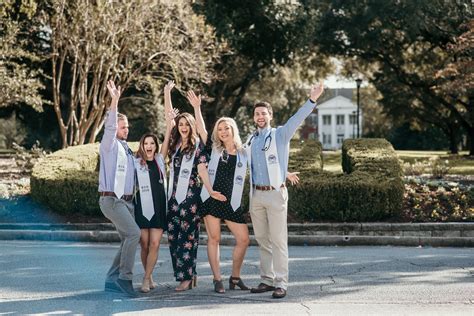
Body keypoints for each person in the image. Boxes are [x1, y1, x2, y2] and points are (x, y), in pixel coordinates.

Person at [187, 90, 302, 294]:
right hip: (212, 198)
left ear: (233, 130)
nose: (223, 132)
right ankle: (217, 280)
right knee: (214, 239)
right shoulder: (214, 148)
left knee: (244, 239)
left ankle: (235, 277)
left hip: (231, 202)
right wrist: (197, 108)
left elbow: (264, 163)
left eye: (227, 128)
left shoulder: (244, 149)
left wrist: (284, 172)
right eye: (220, 129)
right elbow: (201, 128)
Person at [245, 83, 324, 299]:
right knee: (262, 239)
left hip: (275, 194)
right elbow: (250, 163)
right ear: (253, 118)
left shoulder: (280, 134)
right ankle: (267, 279)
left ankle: (281, 283)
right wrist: (284, 170)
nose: (260, 116)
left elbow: (296, 119)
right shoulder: (250, 140)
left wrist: (312, 100)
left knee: (278, 240)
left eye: (264, 113)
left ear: (270, 115)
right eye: (257, 114)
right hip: (256, 195)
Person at [166, 87, 226, 292]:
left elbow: (202, 170)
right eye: (180, 124)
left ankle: (187, 278)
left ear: (191, 127)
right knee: (174, 239)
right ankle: (187, 275)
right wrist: (167, 95)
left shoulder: (198, 146)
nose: (183, 127)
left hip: (190, 200)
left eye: (186, 124)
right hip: (173, 199)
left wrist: (209, 190)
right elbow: (168, 121)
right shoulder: (174, 147)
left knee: (188, 240)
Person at [99, 80, 141, 297]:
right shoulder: (109, 145)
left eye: (127, 126)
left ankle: (111, 280)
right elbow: (110, 127)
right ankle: (125, 279)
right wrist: (114, 101)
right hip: (112, 200)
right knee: (134, 234)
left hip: (126, 201)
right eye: (123, 127)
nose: (127, 129)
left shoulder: (127, 149)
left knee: (127, 238)